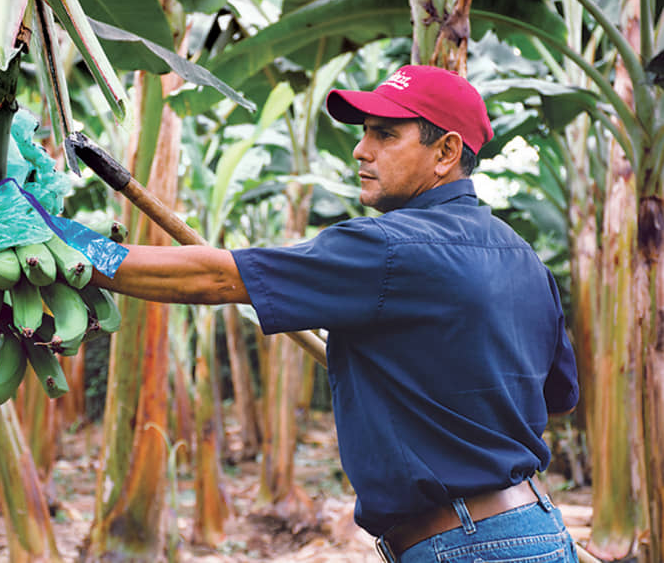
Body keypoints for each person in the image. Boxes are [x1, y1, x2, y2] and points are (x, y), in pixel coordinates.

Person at [91, 64, 580, 563]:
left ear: (447, 152)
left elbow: (216, 277)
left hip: (464, 545)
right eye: (365, 133)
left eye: (385, 134)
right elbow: (557, 397)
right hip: (535, 530)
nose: (361, 150)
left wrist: (76, 252)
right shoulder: (525, 259)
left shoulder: (389, 248)